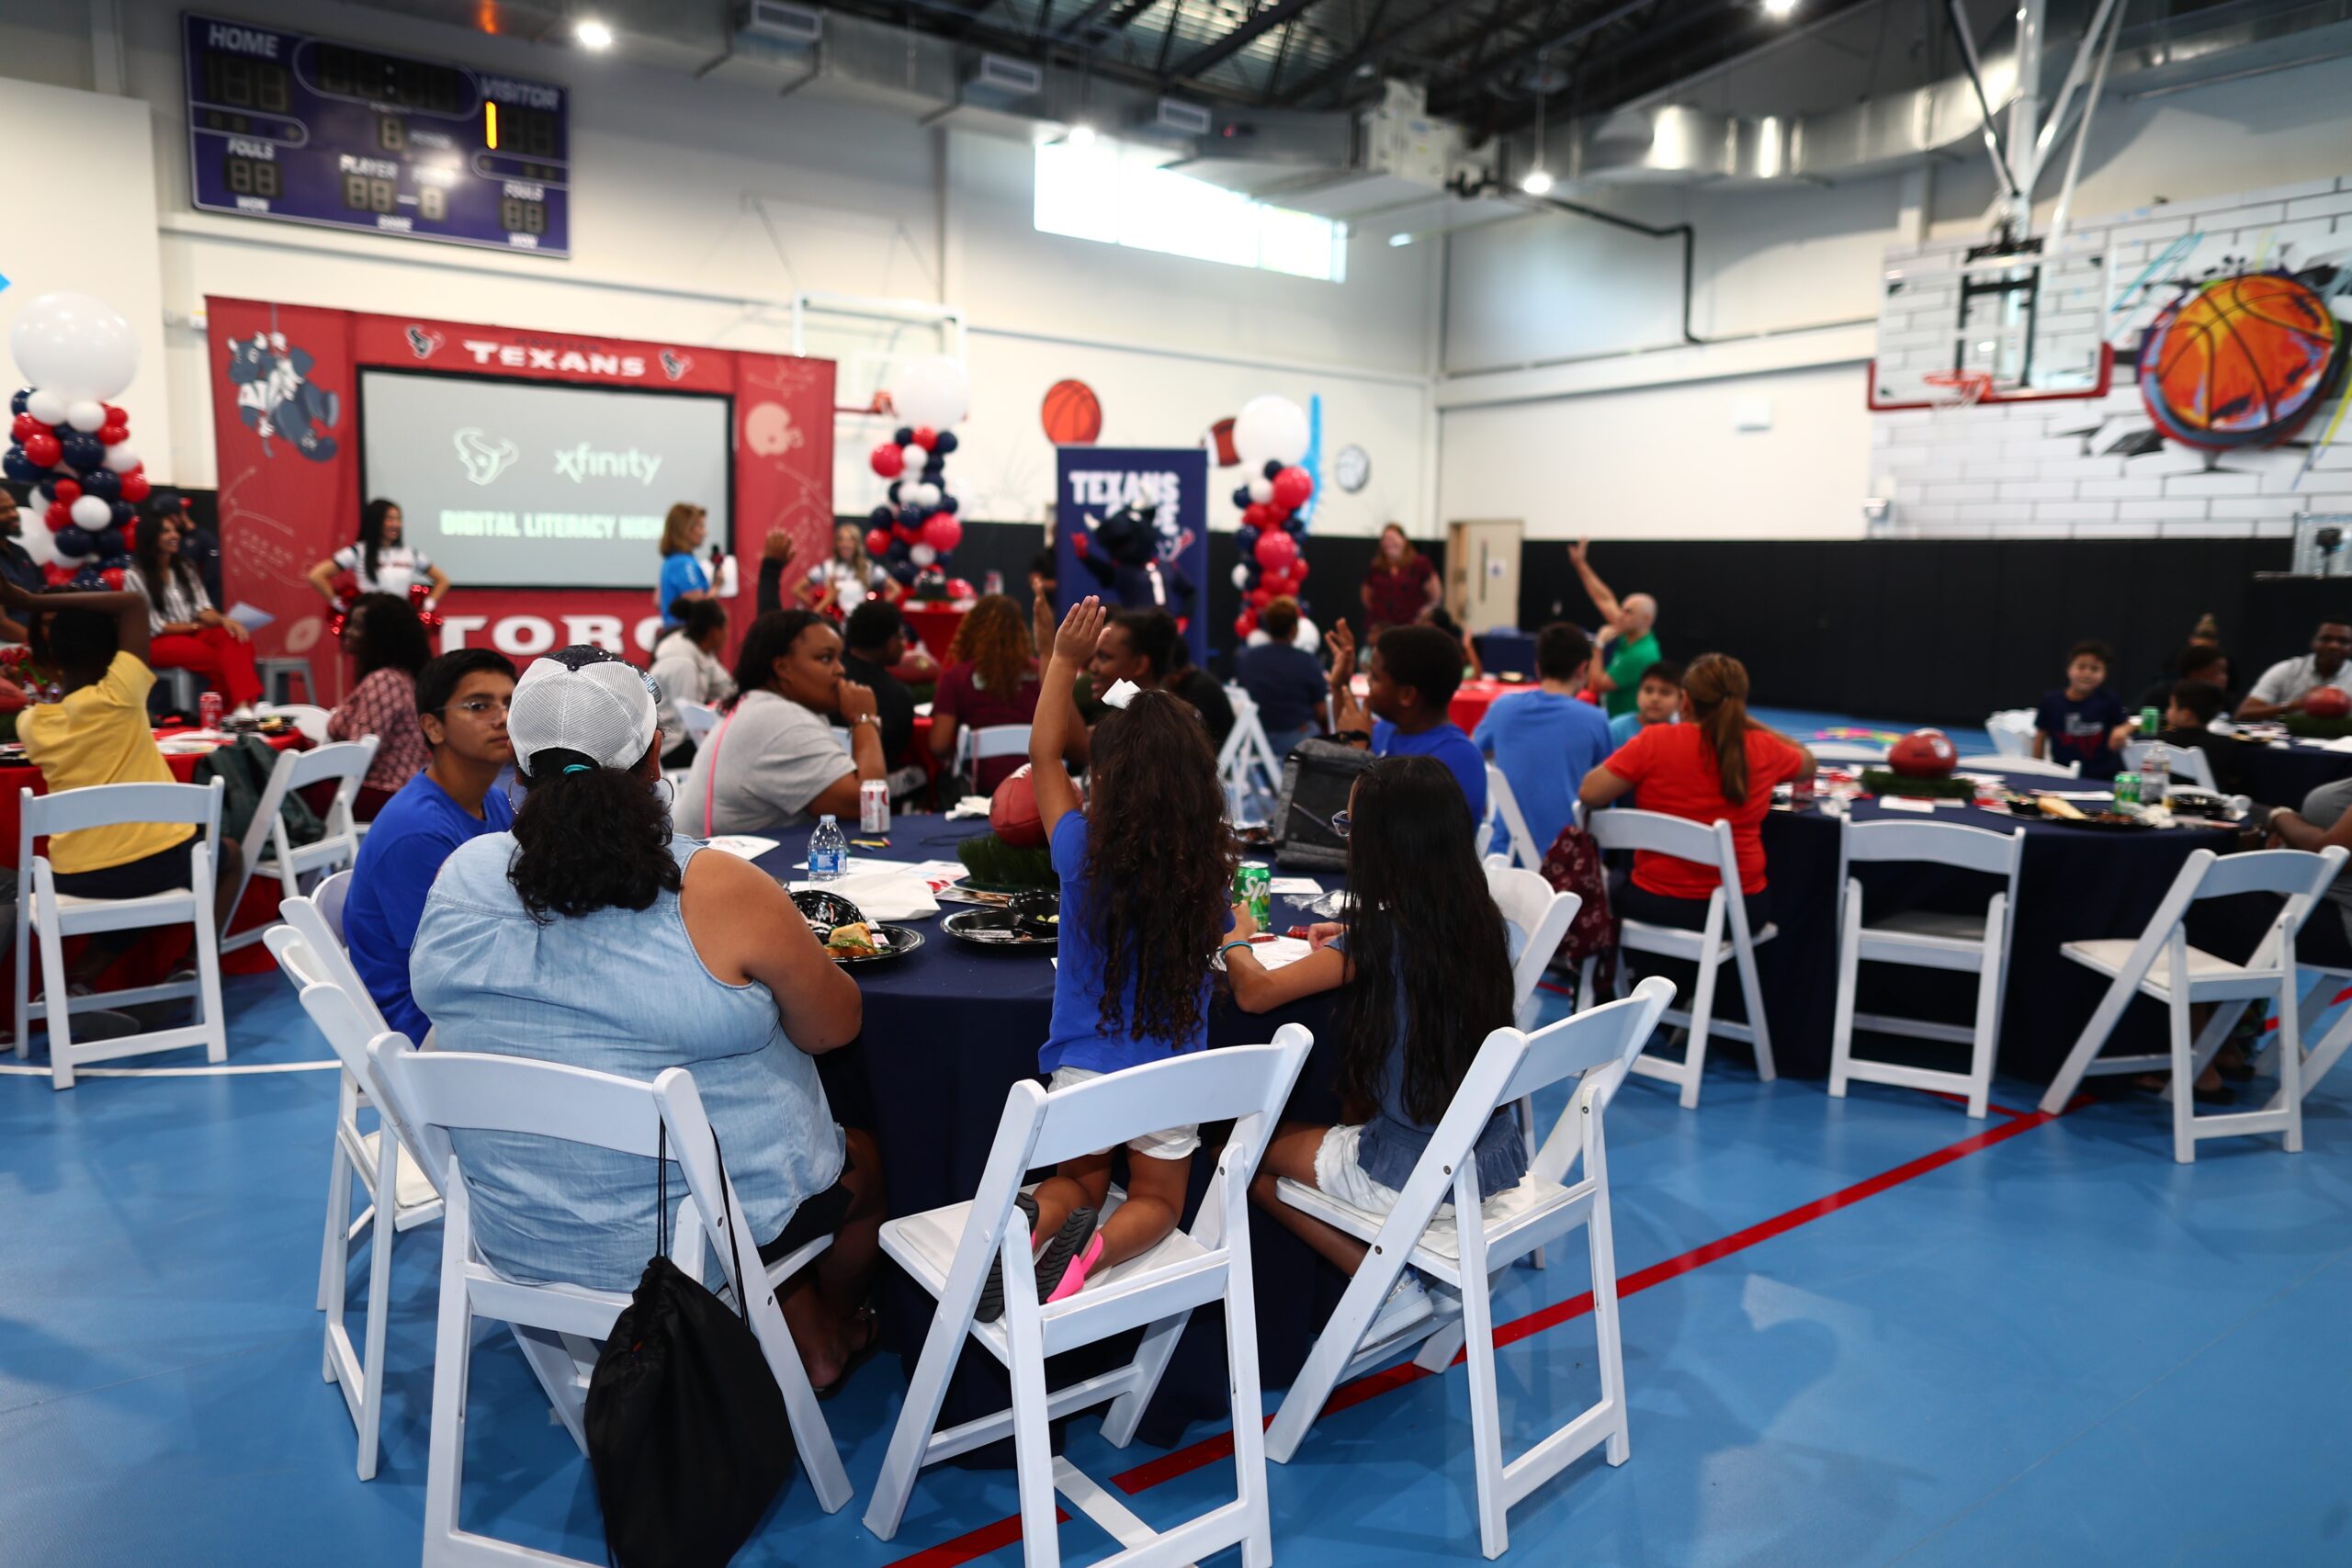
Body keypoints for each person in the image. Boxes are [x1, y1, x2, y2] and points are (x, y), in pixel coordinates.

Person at [409, 647, 882, 1391]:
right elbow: (834, 1028)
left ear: (519, 763)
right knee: (863, 1160)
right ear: (656, 753)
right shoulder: (717, 885)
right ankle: (824, 1336)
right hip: (686, 1242)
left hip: (516, 1229)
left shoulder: (463, 874)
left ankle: (798, 1330)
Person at [990, 596, 1234, 1314]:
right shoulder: (1207, 873)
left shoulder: (1079, 852)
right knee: (1157, 1196)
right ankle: (1090, 1257)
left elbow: (1042, 754)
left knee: (1080, 1180)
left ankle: (1033, 1223)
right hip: (1170, 1072)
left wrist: (1062, 661)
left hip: (1083, 1070)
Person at [1227, 755, 1522, 1336]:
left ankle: (1381, 1285)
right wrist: (1355, 935)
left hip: (1413, 1169)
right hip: (1486, 1157)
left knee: (1236, 1157)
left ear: (1384, 844)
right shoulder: (1483, 921)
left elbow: (1257, 994)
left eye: (1349, 826)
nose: (1346, 839)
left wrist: (1233, 939)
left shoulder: (1384, 939)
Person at [5, 576, 247, 992]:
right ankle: (195, 960)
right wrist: (29, 599)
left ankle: (82, 977)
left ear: (52, 655)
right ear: (113, 653)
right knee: (224, 854)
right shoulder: (123, 694)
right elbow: (135, 602)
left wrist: (29, 606)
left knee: (124, 877)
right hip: (157, 865)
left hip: (73, 876)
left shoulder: (31, 724)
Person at [341, 649, 516, 1043]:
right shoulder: (418, 832)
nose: (503, 717)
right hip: (422, 1027)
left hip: (463, 998)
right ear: (433, 727)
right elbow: (446, 967)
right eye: (479, 705)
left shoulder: (490, 801)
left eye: (510, 703)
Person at [1578, 652, 1812, 936]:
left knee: (1611, 884)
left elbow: (1589, 793)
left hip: (1653, 901)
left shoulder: (1654, 741)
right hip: (1737, 910)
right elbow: (1807, 762)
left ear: (1685, 700)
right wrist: (1748, 723)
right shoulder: (1763, 748)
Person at [684, 609, 888, 836]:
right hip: (719, 866)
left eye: (839, 658)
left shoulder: (761, 706)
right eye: (826, 658)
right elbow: (868, 804)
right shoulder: (781, 721)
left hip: (714, 859)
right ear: (782, 668)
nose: (840, 670)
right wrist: (864, 719)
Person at [1473, 622, 1614, 856]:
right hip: (1570, 860)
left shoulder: (1502, 709)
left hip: (1505, 856)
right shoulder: (1596, 720)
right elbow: (1606, 791)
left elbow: (1472, 753)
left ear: (1538, 668)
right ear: (1583, 669)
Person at [1325, 619, 1487, 821]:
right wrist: (1341, 686)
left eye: (1375, 677)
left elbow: (1386, 832)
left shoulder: (1456, 758)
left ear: (1407, 695)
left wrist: (1358, 750)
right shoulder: (1387, 729)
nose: (1367, 682)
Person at [127, 504, 263, 719]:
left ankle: (240, 708)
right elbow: (154, 626)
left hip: (192, 632)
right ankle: (232, 711)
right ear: (150, 537)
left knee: (237, 638)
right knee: (220, 661)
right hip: (157, 641)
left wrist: (224, 621)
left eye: (175, 530)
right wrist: (197, 626)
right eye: (166, 531)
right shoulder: (135, 575)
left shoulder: (186, 568)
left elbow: (202, 608)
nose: (174, 536)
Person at [326, 592, 434, 818]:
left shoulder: (384, 681)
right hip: (396, 791)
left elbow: (359, 753)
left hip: (382, 794)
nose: (347, 633)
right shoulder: (403, 678)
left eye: (356, 626)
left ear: (380, 636)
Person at [929, 592, 1044, 794]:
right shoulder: (1042, 675)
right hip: (1038, 791)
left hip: (978, 791)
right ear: (1020, 631)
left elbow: (939, 744)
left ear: (972, 629)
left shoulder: (956, 678)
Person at [1568, 538, 1661, 721]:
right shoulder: (1631, 633)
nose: (1620, 614)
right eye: (1623, 609)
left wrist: (1599, 644)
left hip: (1628, 726)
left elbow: (1595, 685)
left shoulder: (1642, 654)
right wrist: (1581, 565)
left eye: (1628, 612)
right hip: (1616, 718)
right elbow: (1604, 599)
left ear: (1646, 619)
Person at [305, 498, 450, 606]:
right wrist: (338, 603)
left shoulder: (410, 553)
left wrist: (429, 604)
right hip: (370, 622)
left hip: (401, 620)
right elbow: (316, 576)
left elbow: (443, 580)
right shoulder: (358, 551)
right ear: (376, 521)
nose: (396, 525)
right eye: (390, 519)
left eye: (399, 519)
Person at [1235, 596, 1329, 759]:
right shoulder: (1308, 661)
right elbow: (1321, 711)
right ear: (1294, 629)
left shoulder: (1247, 658)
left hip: (1257, 739)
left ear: (1269, 626)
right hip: (1298, 741)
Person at [649, 597, 735, 769]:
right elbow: (688, 722)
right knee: (728, 753)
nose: (728, 633)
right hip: (667, 747)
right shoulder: (682, 665)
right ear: (714, 632)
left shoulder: (702, 653)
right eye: (726, 628)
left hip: (682, 738)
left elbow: (728, 689)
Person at [2033, 641, 2132, 779]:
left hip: (2103, 778)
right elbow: (2040, 736)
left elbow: (2127, 723)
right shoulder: (2050, 701)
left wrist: (2123, 730)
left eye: (2095, 669)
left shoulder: (2109, 700)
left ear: (2104, 674)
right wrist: (2036, 770)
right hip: (2062, 775)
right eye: (2081, 667)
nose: (2087, 673)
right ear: (2069, 669)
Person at [840, 599, 922, 762]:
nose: (904, 644)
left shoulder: (826, 681)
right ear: (891, 644)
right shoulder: (898, 696)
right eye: (901, 637)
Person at [2238, 622, 2352, 721]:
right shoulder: (2287, 669)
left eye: (2343, 641)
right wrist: (2298, 704)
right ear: (2313, 642)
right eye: (2326, 639)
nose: (2334, 646)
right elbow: (2243, 714)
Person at [2153, 679, 2247, 795]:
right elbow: (2234, 781)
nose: (2168, 711)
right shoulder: (2226, 744)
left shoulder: (2162, 740)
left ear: (2186, 715)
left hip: (2168, 803)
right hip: (2213, 806)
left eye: (2171, 706)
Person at [800, 522, 902, 616]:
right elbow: (797, 589)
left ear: (857, 544)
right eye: (841, 540)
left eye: (850, 540)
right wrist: (817, 604)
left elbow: (896, 589)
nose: (845, 544)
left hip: (859, 623)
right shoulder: (827, 567)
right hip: (834, 622)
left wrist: (878, 611)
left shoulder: (869, 567)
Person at [1160, 631, 1236, 753]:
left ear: (1171, 673)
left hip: (1211, 754)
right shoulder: (1195, 682)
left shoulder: (1198, 691)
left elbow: (1188, 739)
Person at [1360, 523, 1439, 637]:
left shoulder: (1420, 564)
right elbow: (1366, 596)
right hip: (1381, 627)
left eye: (1392, 538)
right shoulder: (1377, 566)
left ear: (1404, 540)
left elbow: (1435, 596)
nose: (1388, 542)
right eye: (1385, 539)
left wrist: (1422, 615)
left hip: (1410, 627)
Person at [653, 502, 714, 634]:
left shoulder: (671, 561)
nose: (705, 533)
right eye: (701, 527)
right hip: (685, 636)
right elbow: (698, 607)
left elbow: (658, 600)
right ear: (686, 530)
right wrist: (717, 587)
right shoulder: (685, 563)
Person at [0, 486, 46, 643]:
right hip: (11, 648)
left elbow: (42, 597)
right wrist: (45, 648)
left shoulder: (19, 552)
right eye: (3, 511)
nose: (13, 514)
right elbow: (2, 625)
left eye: (13, 507)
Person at [2138, 643, 2233, 716]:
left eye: (2225, 672)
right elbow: (2134, 720)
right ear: (2196, 673)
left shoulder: (2223, 701)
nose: (2225, 678)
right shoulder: (2160, 695)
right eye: (2218, 672)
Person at [1609, 660, 1684, 748]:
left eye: (1665, 693)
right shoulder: (1615, 729)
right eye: (1648, 691)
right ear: (1638, 695)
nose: (1654, 699)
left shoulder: (1680, 737)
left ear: (1680, 701)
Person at [1421, 604, 1484, 679]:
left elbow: (1476, 675)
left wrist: (1468, 646)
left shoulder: (1449, 644)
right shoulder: (1429, 645)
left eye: (1423, 621)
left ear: (1432, 625)